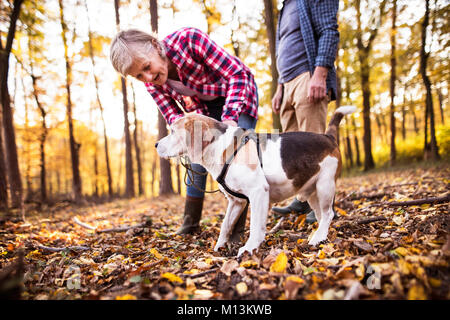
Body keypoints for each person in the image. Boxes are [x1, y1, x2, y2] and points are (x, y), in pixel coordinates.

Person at [110, 27, 258, 240]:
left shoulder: (190, 41)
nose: (149, 77)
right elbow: (174, 120)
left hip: (239, 95)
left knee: (238, 157)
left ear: (155, 46)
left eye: (147, 67)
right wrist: (187, 143)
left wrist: (229, 120)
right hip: (204, 111)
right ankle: (190, 222)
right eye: (139, 76)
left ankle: (236, 231)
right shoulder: (153, 86)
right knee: (196, 156)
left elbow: (238, 74)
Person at [271, 0, 340, 223]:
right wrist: (279, 87)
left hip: (307, 76)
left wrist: (319, 75)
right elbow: (284, 48)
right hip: (287, 85)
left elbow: (329, 31)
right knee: (292, 152)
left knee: (316, 146)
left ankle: (324, 207)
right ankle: (302, 201)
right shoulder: (285, 7)